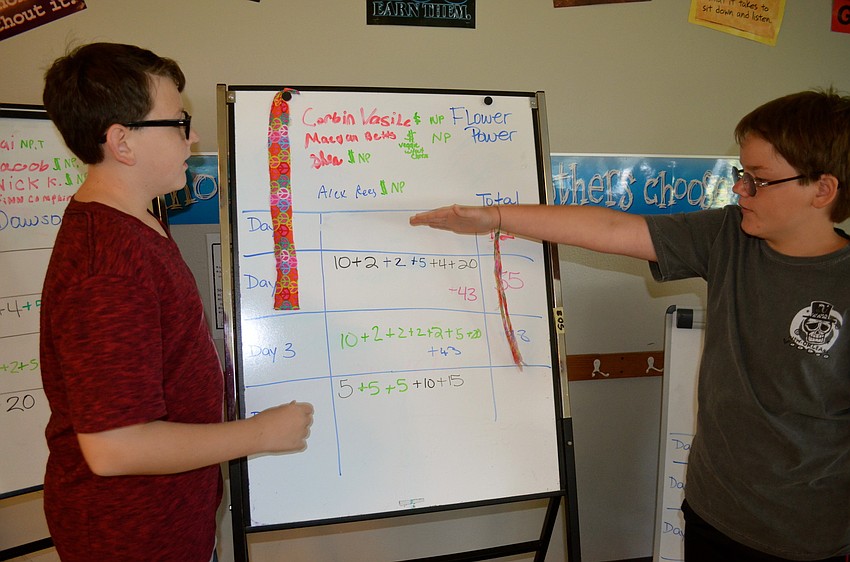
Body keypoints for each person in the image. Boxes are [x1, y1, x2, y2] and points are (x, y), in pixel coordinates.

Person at [410, 88, 850, 561]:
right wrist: (495, 217)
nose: (741, 189)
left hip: (805, 533)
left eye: (758, 181)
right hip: (713, 508)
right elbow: (613, 230)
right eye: (742, 175)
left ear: (822, 190)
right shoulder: (727, 237)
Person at [40, 42, 314, 562]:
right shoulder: (108, 266)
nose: (193, 137)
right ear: (123, 142)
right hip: (132, 538)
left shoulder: (138, 222)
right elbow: (115, 447)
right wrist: (258, 433)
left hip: (170, 520)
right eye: (178, 121)